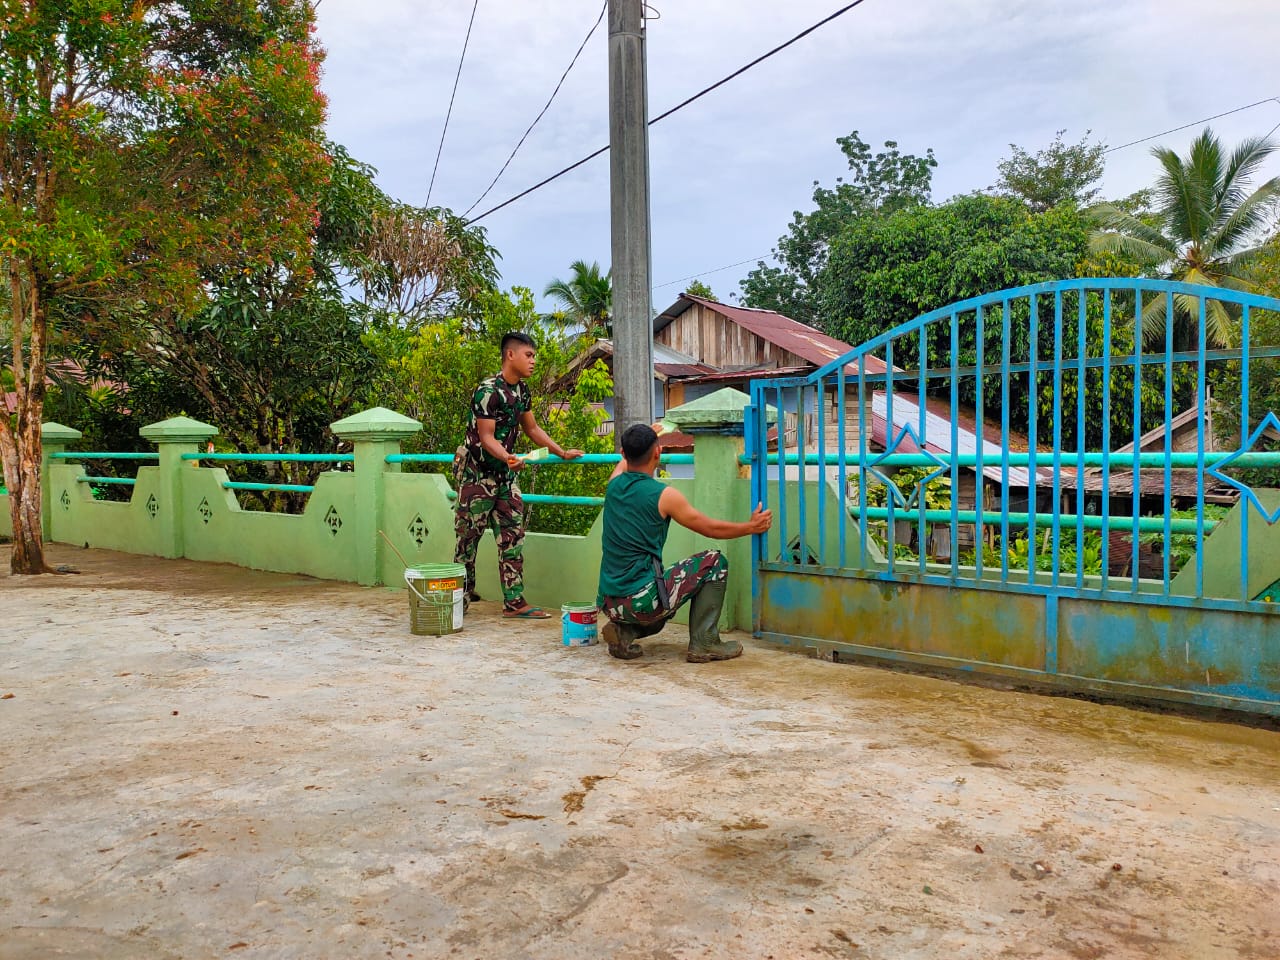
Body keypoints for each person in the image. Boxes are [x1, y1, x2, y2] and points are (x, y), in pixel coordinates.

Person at [597, 423, 772, 662]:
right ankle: (705, 643)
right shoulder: (664, 495)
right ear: (657, 452)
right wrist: (751, 527)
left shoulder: (614, 485)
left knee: (659, 603)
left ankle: (623, 632)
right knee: (714, 562)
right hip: (641, 602)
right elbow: (710, 528)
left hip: (610, 603)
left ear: (624, 453)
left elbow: (622, 463)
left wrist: (642, 439)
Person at [453, 332, 584, 619]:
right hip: (477, 475)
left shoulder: (522, 390)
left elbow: (532, 428)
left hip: (506, 476)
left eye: (534, 356)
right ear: (510, 355)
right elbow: (486, 437)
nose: (533, 361)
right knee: (468, 540)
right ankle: (458, 600)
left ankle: (514, 602)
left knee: (512, 537)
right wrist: (508, 457)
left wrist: (561, 452)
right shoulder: (487, 391)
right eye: (529, 355)